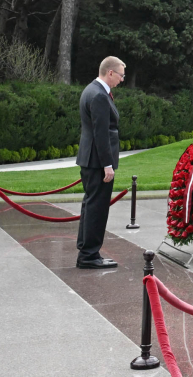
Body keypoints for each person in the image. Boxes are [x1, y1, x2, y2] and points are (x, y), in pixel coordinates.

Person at [76, 56, 125, 269]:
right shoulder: (98, 96)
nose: (122, 80)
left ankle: (85, 249)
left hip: (90, 159)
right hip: (97, 162)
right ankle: (89, 255)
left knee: (90, 205)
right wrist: (107, 164)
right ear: (110, 72)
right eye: (121, 75)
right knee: (97, 208)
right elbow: (101, 133)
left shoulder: (91, 90)